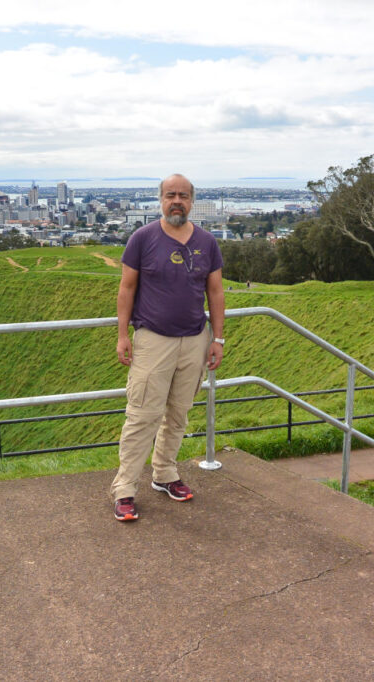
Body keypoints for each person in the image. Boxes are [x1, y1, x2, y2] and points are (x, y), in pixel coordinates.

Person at [111, 173, 225, 521]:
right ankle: (125, 489)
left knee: (178, 415)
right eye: (171, 195)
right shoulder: (142, 238)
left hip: (195, 340)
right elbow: (126, 288)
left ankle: (164, 474)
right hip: (153, 340)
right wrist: (123, 334)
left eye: (184, 195)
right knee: (142, 415)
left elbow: (216, 292)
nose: (177, 201)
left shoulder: (207, 242)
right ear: (160, 199)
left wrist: (217, 338)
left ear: (192, 201)